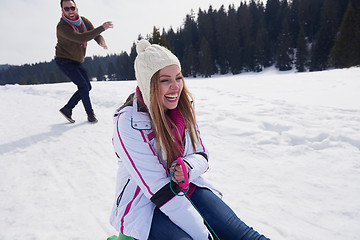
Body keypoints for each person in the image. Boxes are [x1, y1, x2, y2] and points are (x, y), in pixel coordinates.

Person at [109, 39, 271, 240]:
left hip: (186, 187)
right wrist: (203, 235)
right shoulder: (128, 123)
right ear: (147, 83)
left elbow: (201, 154)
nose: (175, 87)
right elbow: (159, 189)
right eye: (164, 80)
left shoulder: (181, 110)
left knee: (240, 233)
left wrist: (188, 167)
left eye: (178, 77)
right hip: (144, 203)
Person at [55, 0, 113, 123]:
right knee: (83, 86)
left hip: (77, 60)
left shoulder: (83, 21)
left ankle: (67, 108)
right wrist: (102, 28)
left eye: (72, 8)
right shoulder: (62, 27)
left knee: (87, 86)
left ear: (76, 8)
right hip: (64, 60)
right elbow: (81, 38)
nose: (70, 11)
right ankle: (90, 114)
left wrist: (100, 40)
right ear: (62, 11)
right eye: (67, 9)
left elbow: (93, 33)